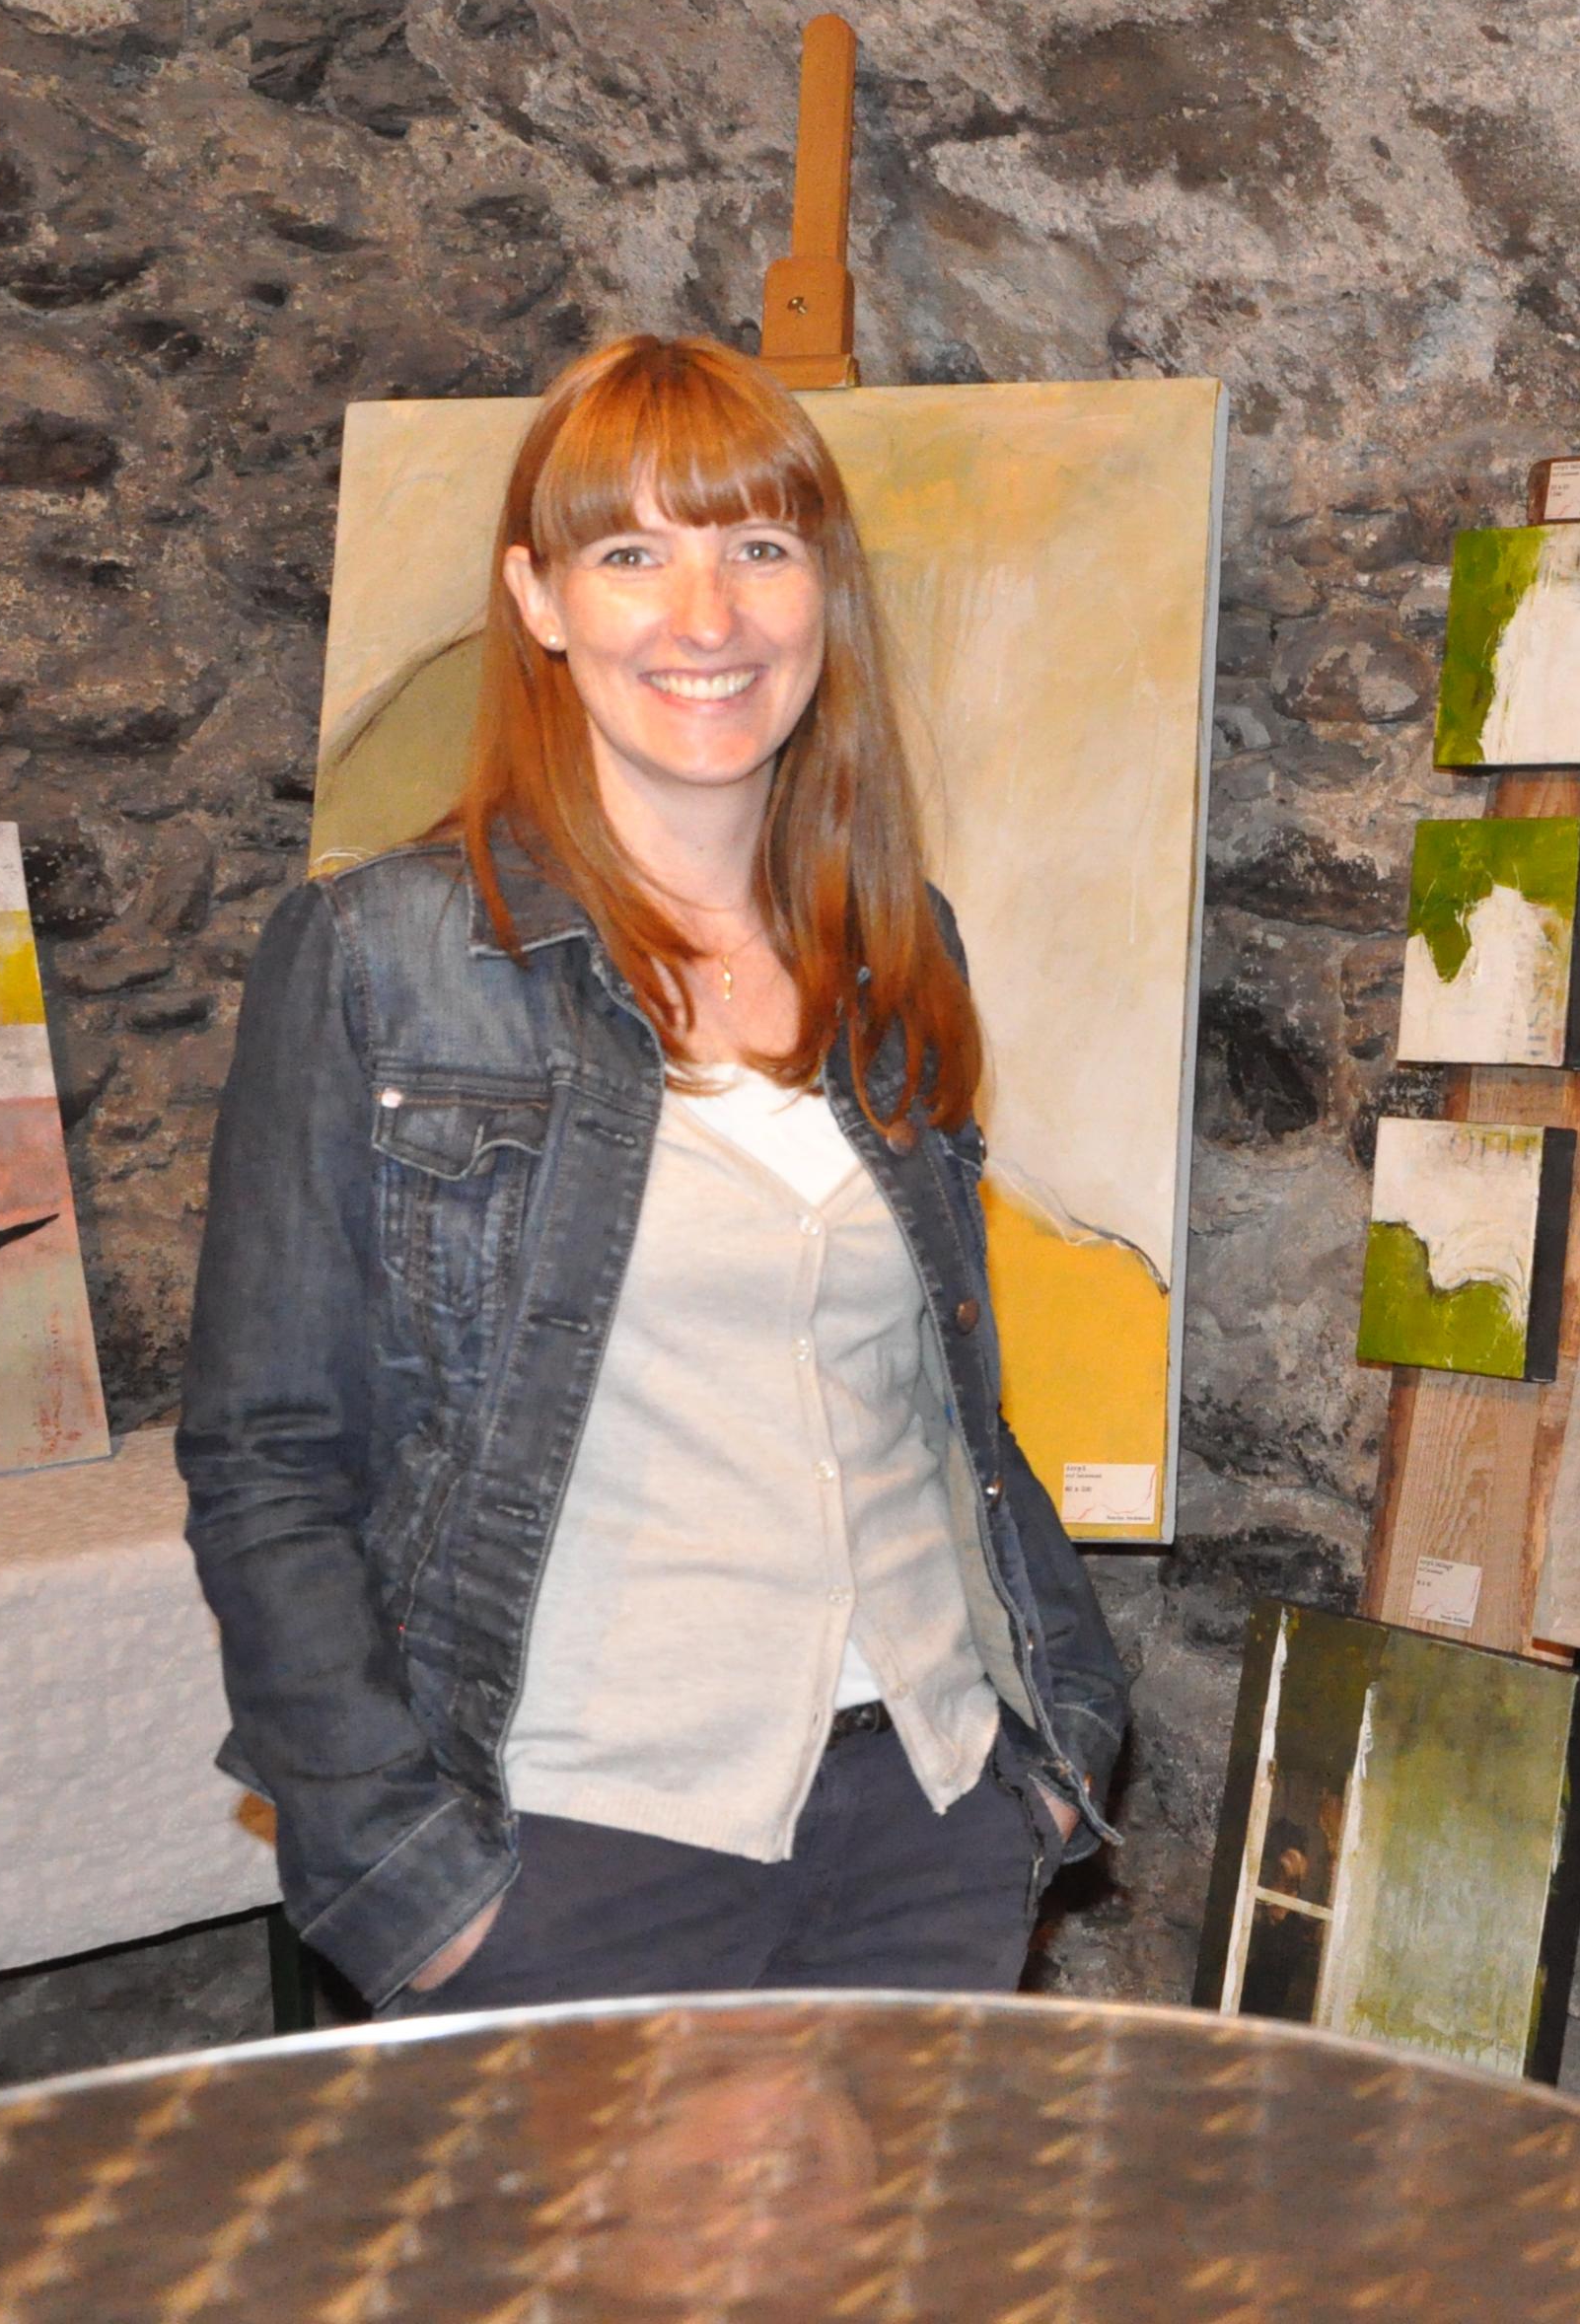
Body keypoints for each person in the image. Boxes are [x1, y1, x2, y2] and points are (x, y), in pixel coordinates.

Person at [180, 331, 1131, 2011]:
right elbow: (267, 1455)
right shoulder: (382, 959)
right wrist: (411, 1887)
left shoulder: (897, 949)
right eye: (632, 555)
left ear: (823, 591)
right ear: (538, 600)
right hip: (571, 1861)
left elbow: (940, 1403)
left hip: (925, 1831)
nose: (708, 618)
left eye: (759, 547)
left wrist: (1043, 1777)